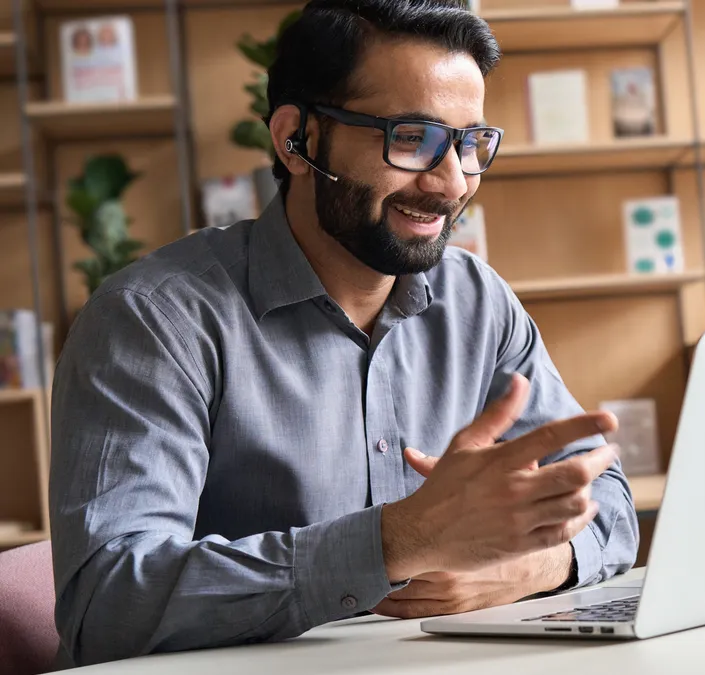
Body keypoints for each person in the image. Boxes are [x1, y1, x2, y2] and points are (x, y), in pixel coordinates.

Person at [49, 0, 638, 667]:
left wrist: (525, 569)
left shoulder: (478, 302)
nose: (451, 183)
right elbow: (106, 604)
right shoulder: (153, 320)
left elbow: (609, 502)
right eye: (412, 138)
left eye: (470, 143)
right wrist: (399, 539)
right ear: (295, 140)